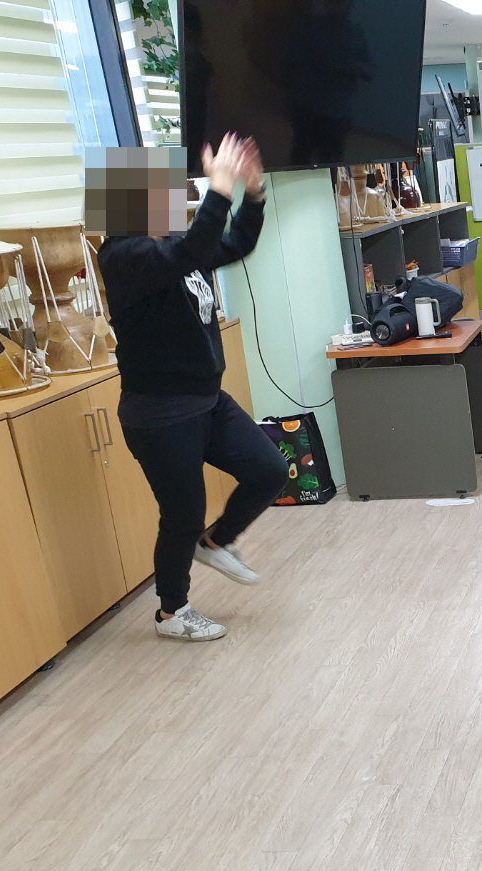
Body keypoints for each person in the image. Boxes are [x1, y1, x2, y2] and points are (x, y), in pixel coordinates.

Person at [96, 136, 289, 642]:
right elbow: (192, 248)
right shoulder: (123, 256)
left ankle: (216, 542)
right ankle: (171, 612)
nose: (176, 198)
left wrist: (253, 193)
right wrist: (219, 191)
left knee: (270, 470)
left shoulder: (173, 247)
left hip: (207, 401)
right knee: (182, 517)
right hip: (160, 414)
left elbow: (235, 244)